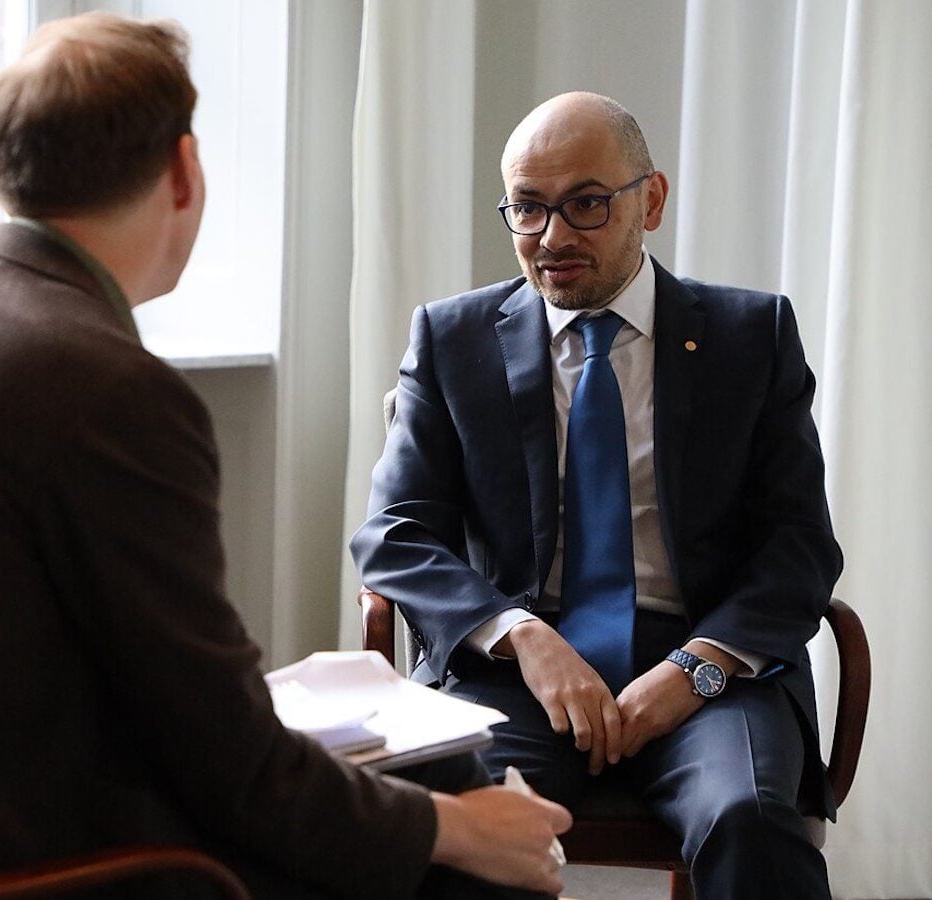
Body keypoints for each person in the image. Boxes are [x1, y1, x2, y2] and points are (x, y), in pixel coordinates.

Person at [0, 13, 570, 900]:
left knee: (424, 786)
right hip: (27, 865)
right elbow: (231, 767)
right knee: (470, 834)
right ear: (184, 168)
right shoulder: (100, 387)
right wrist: (453, 830)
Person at [351, 91, 843, 899]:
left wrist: (695, 669)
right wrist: (525, 640)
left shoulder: (749, 337)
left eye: (584, 204)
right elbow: (396, 532)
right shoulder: (452, 337)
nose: (552, 238)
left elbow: (799, 544)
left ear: (649, 200)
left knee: (749, 821)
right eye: (527, 209)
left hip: (710, 669)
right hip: (519, 670)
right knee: (467, 833)